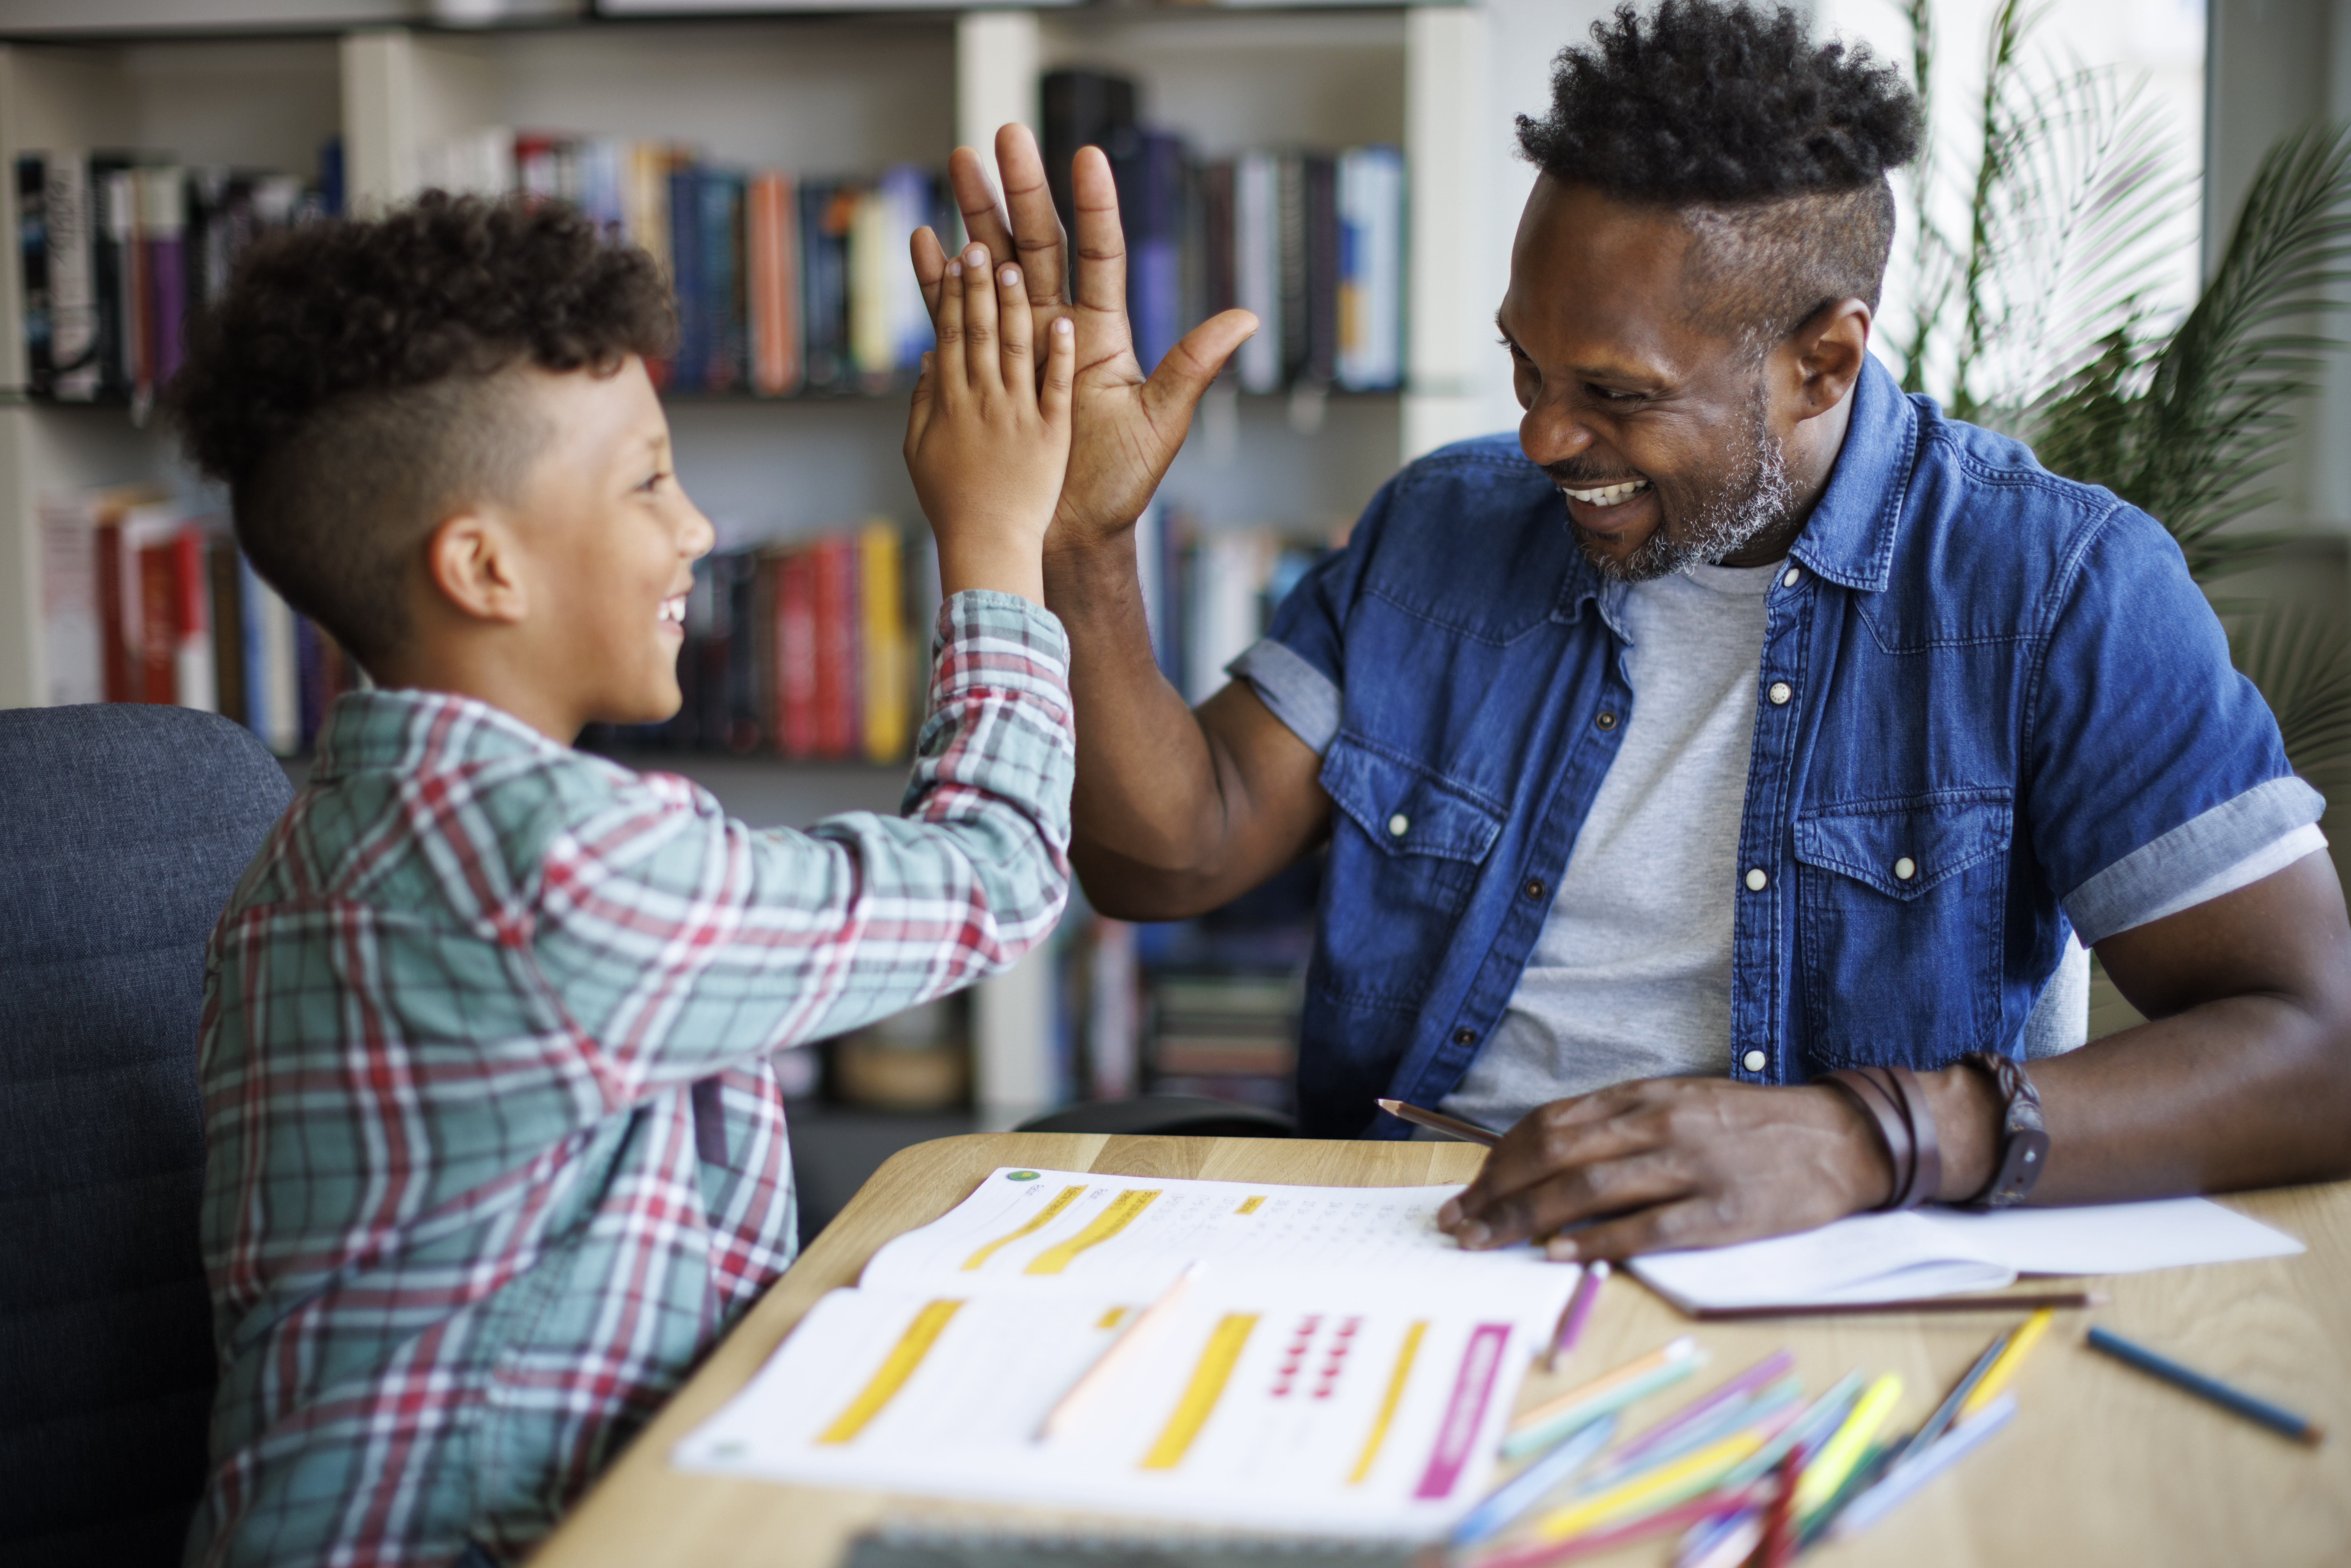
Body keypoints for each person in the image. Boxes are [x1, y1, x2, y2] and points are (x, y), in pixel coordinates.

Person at [917, 0, 2351, 1265]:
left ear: (1820, 361)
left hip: (1825, 1268)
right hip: (1407, 1241)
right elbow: (1168, 854)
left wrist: (1862, 1139)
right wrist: (1080, 545)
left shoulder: (2053, 586)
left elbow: (2316, 1047)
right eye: (1524, 364)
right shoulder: (1443, 528)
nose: (1543, 434)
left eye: (1613, 392)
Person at [173, 195, 1077, 1566]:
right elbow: (997, 876)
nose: (699, 527)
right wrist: (999, 538)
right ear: (483, 566)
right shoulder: (551, 864)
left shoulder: (313, 847)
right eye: (649, 479)